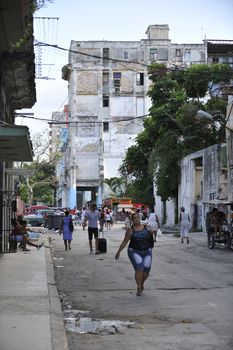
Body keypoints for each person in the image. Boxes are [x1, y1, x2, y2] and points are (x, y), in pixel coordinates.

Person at [115, 212, 155, 296]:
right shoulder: (131, 230)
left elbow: (152, 237)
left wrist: (152, 234)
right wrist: (118, 252)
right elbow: (125, 241)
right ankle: (139, 288)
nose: (136, 219)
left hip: (146, 251)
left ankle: (141, 283)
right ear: (132, 220)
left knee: (146, 270)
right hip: (134, 251)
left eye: (138, 218)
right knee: (139, 268)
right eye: (134, 218)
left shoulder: (146, 227)